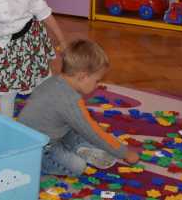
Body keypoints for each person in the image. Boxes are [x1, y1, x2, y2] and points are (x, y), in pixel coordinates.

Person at [19, 39, 140, 176]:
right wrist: (125, 153)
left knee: (76, 127)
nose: (97, 85)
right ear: (83, 77)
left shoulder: (53, 81)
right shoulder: (70, 101)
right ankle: (46, 160)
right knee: (78, 166)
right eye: (97, 80)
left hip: (39, 132)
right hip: (38, 146)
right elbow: (92, 132)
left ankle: (77, 146)